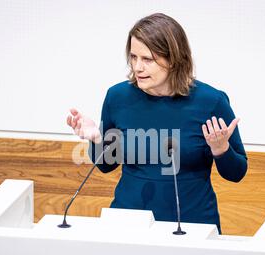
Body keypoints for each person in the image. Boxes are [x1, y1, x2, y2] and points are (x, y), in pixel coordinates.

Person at [66, 13, 247, 234]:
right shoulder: (118, 97)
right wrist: (96, 138)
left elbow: (237, 173)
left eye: (147, 59)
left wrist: (221, 150)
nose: (137, 67)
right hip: (128, 224)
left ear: (173, 59)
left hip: (192, 227)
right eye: (133, 57)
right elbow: (106, 165)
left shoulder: (211, 102)